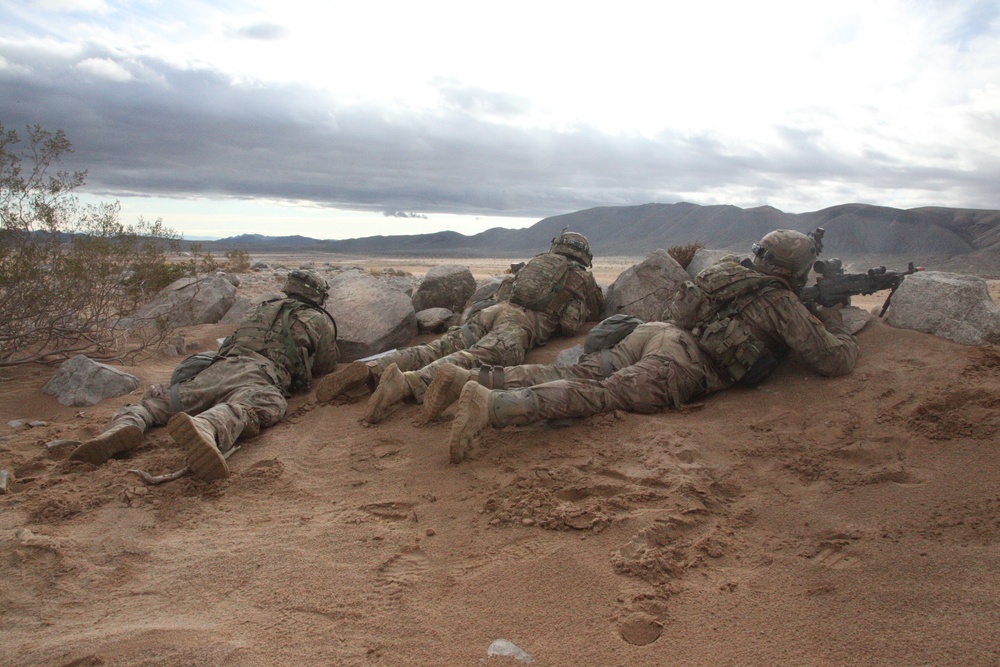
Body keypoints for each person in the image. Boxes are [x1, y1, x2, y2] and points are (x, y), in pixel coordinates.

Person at [434, 229, 859, 463]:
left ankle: (465, 377)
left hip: (654, 333)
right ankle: (491, 406)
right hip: (682, 362)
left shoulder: (730, 271)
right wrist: (833, 313)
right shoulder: (781, 301)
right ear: (797, 271)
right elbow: (834, 359)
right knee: (603, 394)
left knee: (577, 371)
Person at [70, 269, 339, 481]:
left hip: (219, 367)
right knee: (259, 405)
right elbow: (324, 366)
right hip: (261, 376)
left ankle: (126, 424)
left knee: (159, 402)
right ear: (318, 297)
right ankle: (208, 425)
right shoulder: (318, 320)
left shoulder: (261, 308)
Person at [313, 230, 605, 424]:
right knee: (473, 358)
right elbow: (569, 324)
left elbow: (506, 290)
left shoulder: (537, 262)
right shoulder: (580, 278)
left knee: (439, 346)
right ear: (583, 256)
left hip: (493, 311)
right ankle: (406, 384)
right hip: (519, 325)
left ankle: (375, 368)